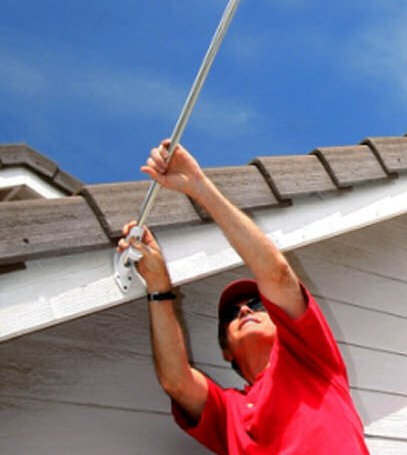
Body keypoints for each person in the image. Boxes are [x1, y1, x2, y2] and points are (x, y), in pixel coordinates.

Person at [117, 139, 370, 454]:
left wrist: (198, 185)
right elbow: (176, 382)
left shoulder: (311, 359)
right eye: (231, 315)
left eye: (256, 304)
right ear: (226, 352)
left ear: (282, 326)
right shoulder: (228, 412)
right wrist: (157, 283)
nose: (244, 312)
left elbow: (276, 273)